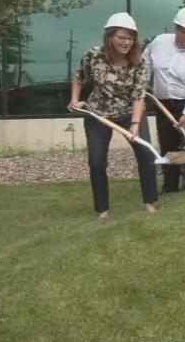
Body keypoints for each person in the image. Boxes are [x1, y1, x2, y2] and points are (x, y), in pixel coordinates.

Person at [68, 12, 156, 219]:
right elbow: (79, 77)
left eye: (130, 38)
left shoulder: (139, 62)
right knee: (97, 163)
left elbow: (139, 95)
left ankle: (150, 203)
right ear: (109, 37)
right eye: (122, 38)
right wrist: (74, 99)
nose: (127, 42)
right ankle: (103, 210)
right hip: (97, 114)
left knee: (146, 156)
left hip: (129, 114)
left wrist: (135, 123)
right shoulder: (94, 55)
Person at [143, 8, 185, 193]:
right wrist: (142, 85)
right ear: (177, 29)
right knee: (168, 144)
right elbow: (145, 65)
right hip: (164, 104)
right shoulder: (159, 42)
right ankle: (170, 185)